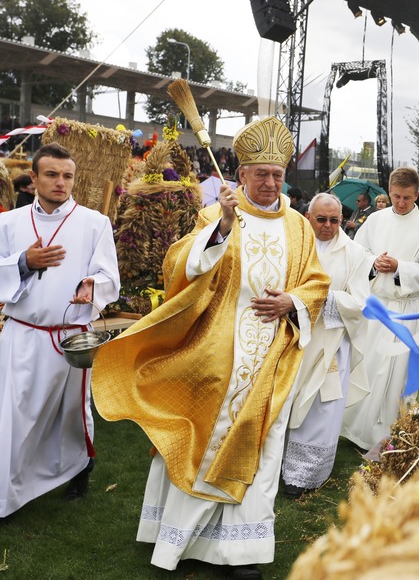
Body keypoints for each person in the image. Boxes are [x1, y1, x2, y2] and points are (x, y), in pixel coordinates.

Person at [91, 117, 330, 579]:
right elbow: (181, 267)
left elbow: (317, 282)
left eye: (277, 174)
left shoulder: (299, 227)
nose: (270, 182)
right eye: (261, 174)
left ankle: (242, 553)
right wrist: (222, 226)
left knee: (262, 449)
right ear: (241, 175)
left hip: (274, 357)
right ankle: (183, 542)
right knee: (203, 441)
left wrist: (292, 301)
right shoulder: (218, 213)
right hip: (215, 352)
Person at [0, 142, 120, 518]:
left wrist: (91, 285)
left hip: (71, 338)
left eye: (67, 176)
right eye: (51, 174)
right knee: (15, 415)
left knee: (71, 412)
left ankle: (78, 471)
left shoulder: (95, 223)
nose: (60, 183)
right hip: (23, 334)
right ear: (33, 177)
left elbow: (109, 276)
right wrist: (24, 262)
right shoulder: (9, 223)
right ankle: (10, 491)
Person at [342, 167, 419, 451]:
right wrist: (373, 263)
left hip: (404, 310)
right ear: (389, 191)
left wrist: (400, 268)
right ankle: (353, 427)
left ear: (417, 194)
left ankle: (385, 431)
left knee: (394, 372)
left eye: (407, 198)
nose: (400, 202)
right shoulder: (375, 220)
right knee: (366, 366)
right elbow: (357, 253)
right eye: (396, 196)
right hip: (374, 307)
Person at [281, 193, 370, 497]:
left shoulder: (355, 253)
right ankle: (273, 464)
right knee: (285, 400)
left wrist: (318, 299)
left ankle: (302, 475)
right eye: (321, 219)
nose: (328, 226)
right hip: (291, 337)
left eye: (335, 220)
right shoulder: (293, 244)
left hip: (329, 343)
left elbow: (360, 302)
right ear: (308, 217)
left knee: (320, 408)